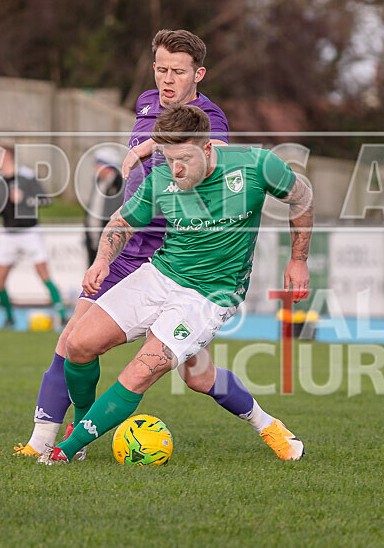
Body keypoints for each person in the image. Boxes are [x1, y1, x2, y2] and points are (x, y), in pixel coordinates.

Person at [38, 104, 311, 464]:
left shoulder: (255, 164)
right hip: (161, 274)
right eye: (168, 158)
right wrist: (102, 260)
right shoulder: (162, 177)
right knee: (80, 344)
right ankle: (83, 429)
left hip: (210, 294)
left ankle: (62, 453)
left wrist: (298, 260)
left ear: (208, 148)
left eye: (183, 158)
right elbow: (122, 222)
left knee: (140, 371)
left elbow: (301, 197)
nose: (175, 169)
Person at [14, 29, 230, 457]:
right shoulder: (146, 102)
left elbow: (212, 154)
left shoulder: (211, 116)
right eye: (162, 69)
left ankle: (267, 423)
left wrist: (149, 146)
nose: (168, 79)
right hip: (124, 248)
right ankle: (48, 439)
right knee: (72, 339)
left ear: (199, 74)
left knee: (198, 375)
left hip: (171, 259)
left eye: (179, 72)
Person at [0, 143, 64, 327]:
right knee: (0, 279)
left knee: (43, 273)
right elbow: (2, 209)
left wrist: (25, 199)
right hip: (8, 234)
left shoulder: (26, 176)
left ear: (7, 157)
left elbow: (45, 199)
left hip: (29, 232)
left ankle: (61, 313)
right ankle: (9, 317)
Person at [84, 147, 124, 266]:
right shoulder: (97, 182)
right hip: (93, 238)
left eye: (97, 164)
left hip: (108, 240)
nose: (95, 168)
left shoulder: (119, 184)